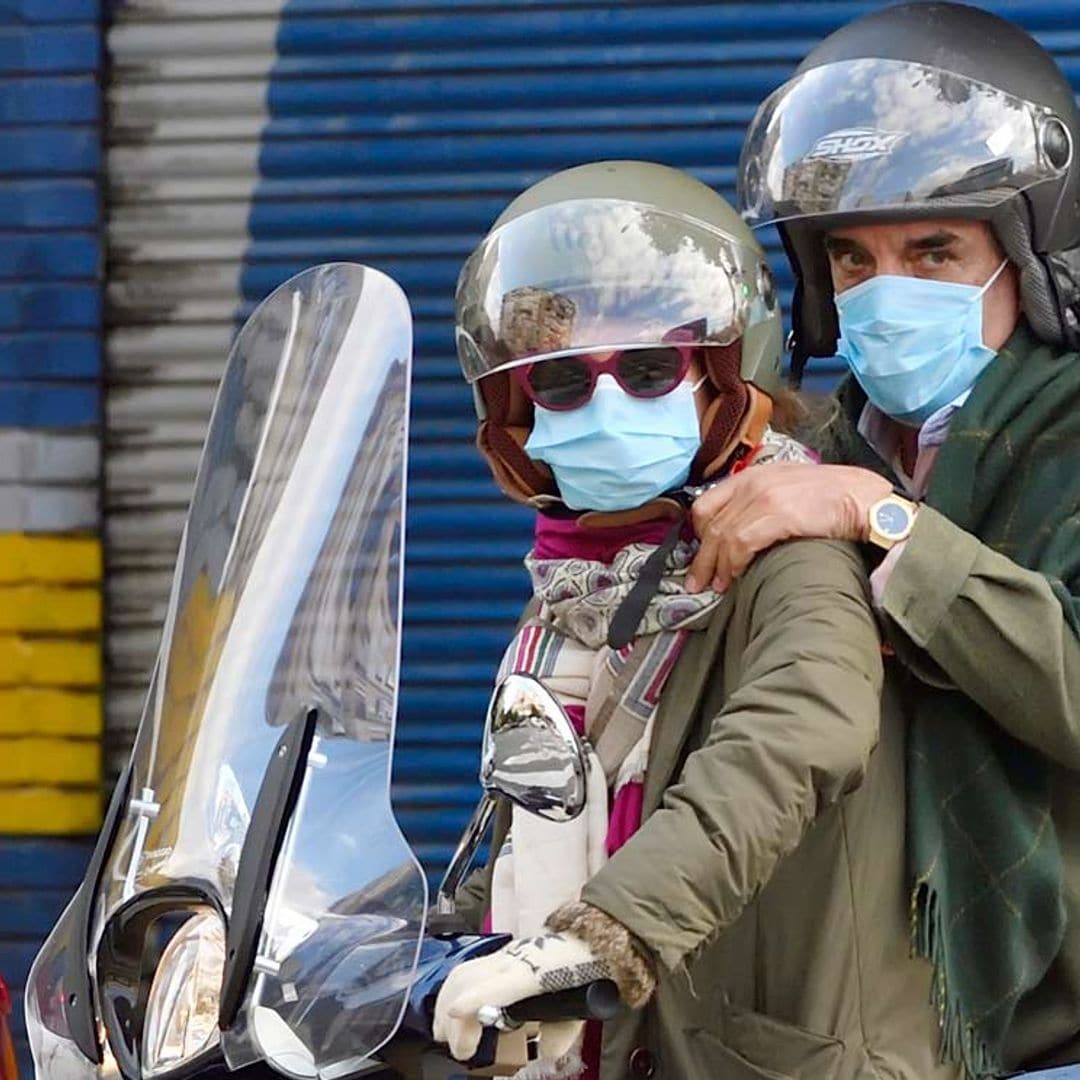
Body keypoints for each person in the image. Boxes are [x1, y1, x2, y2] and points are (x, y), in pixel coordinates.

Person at [430, 160, 957, 1080]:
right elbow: (555, 800)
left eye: (646, 368)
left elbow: (797, 733)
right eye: (558, 380)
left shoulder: (792, 555)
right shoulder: (579, 591)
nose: (602, 404)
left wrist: (615, 925)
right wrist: (422, 938)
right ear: (514, 412)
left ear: (723, 376)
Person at [684, 3, 1080, 1076]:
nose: (886, 289)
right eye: (851, 258)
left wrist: (881, 517)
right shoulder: (815, 443)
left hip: (1047, 1023)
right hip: (839, 1019)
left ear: (1031, 252)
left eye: (936, 249)